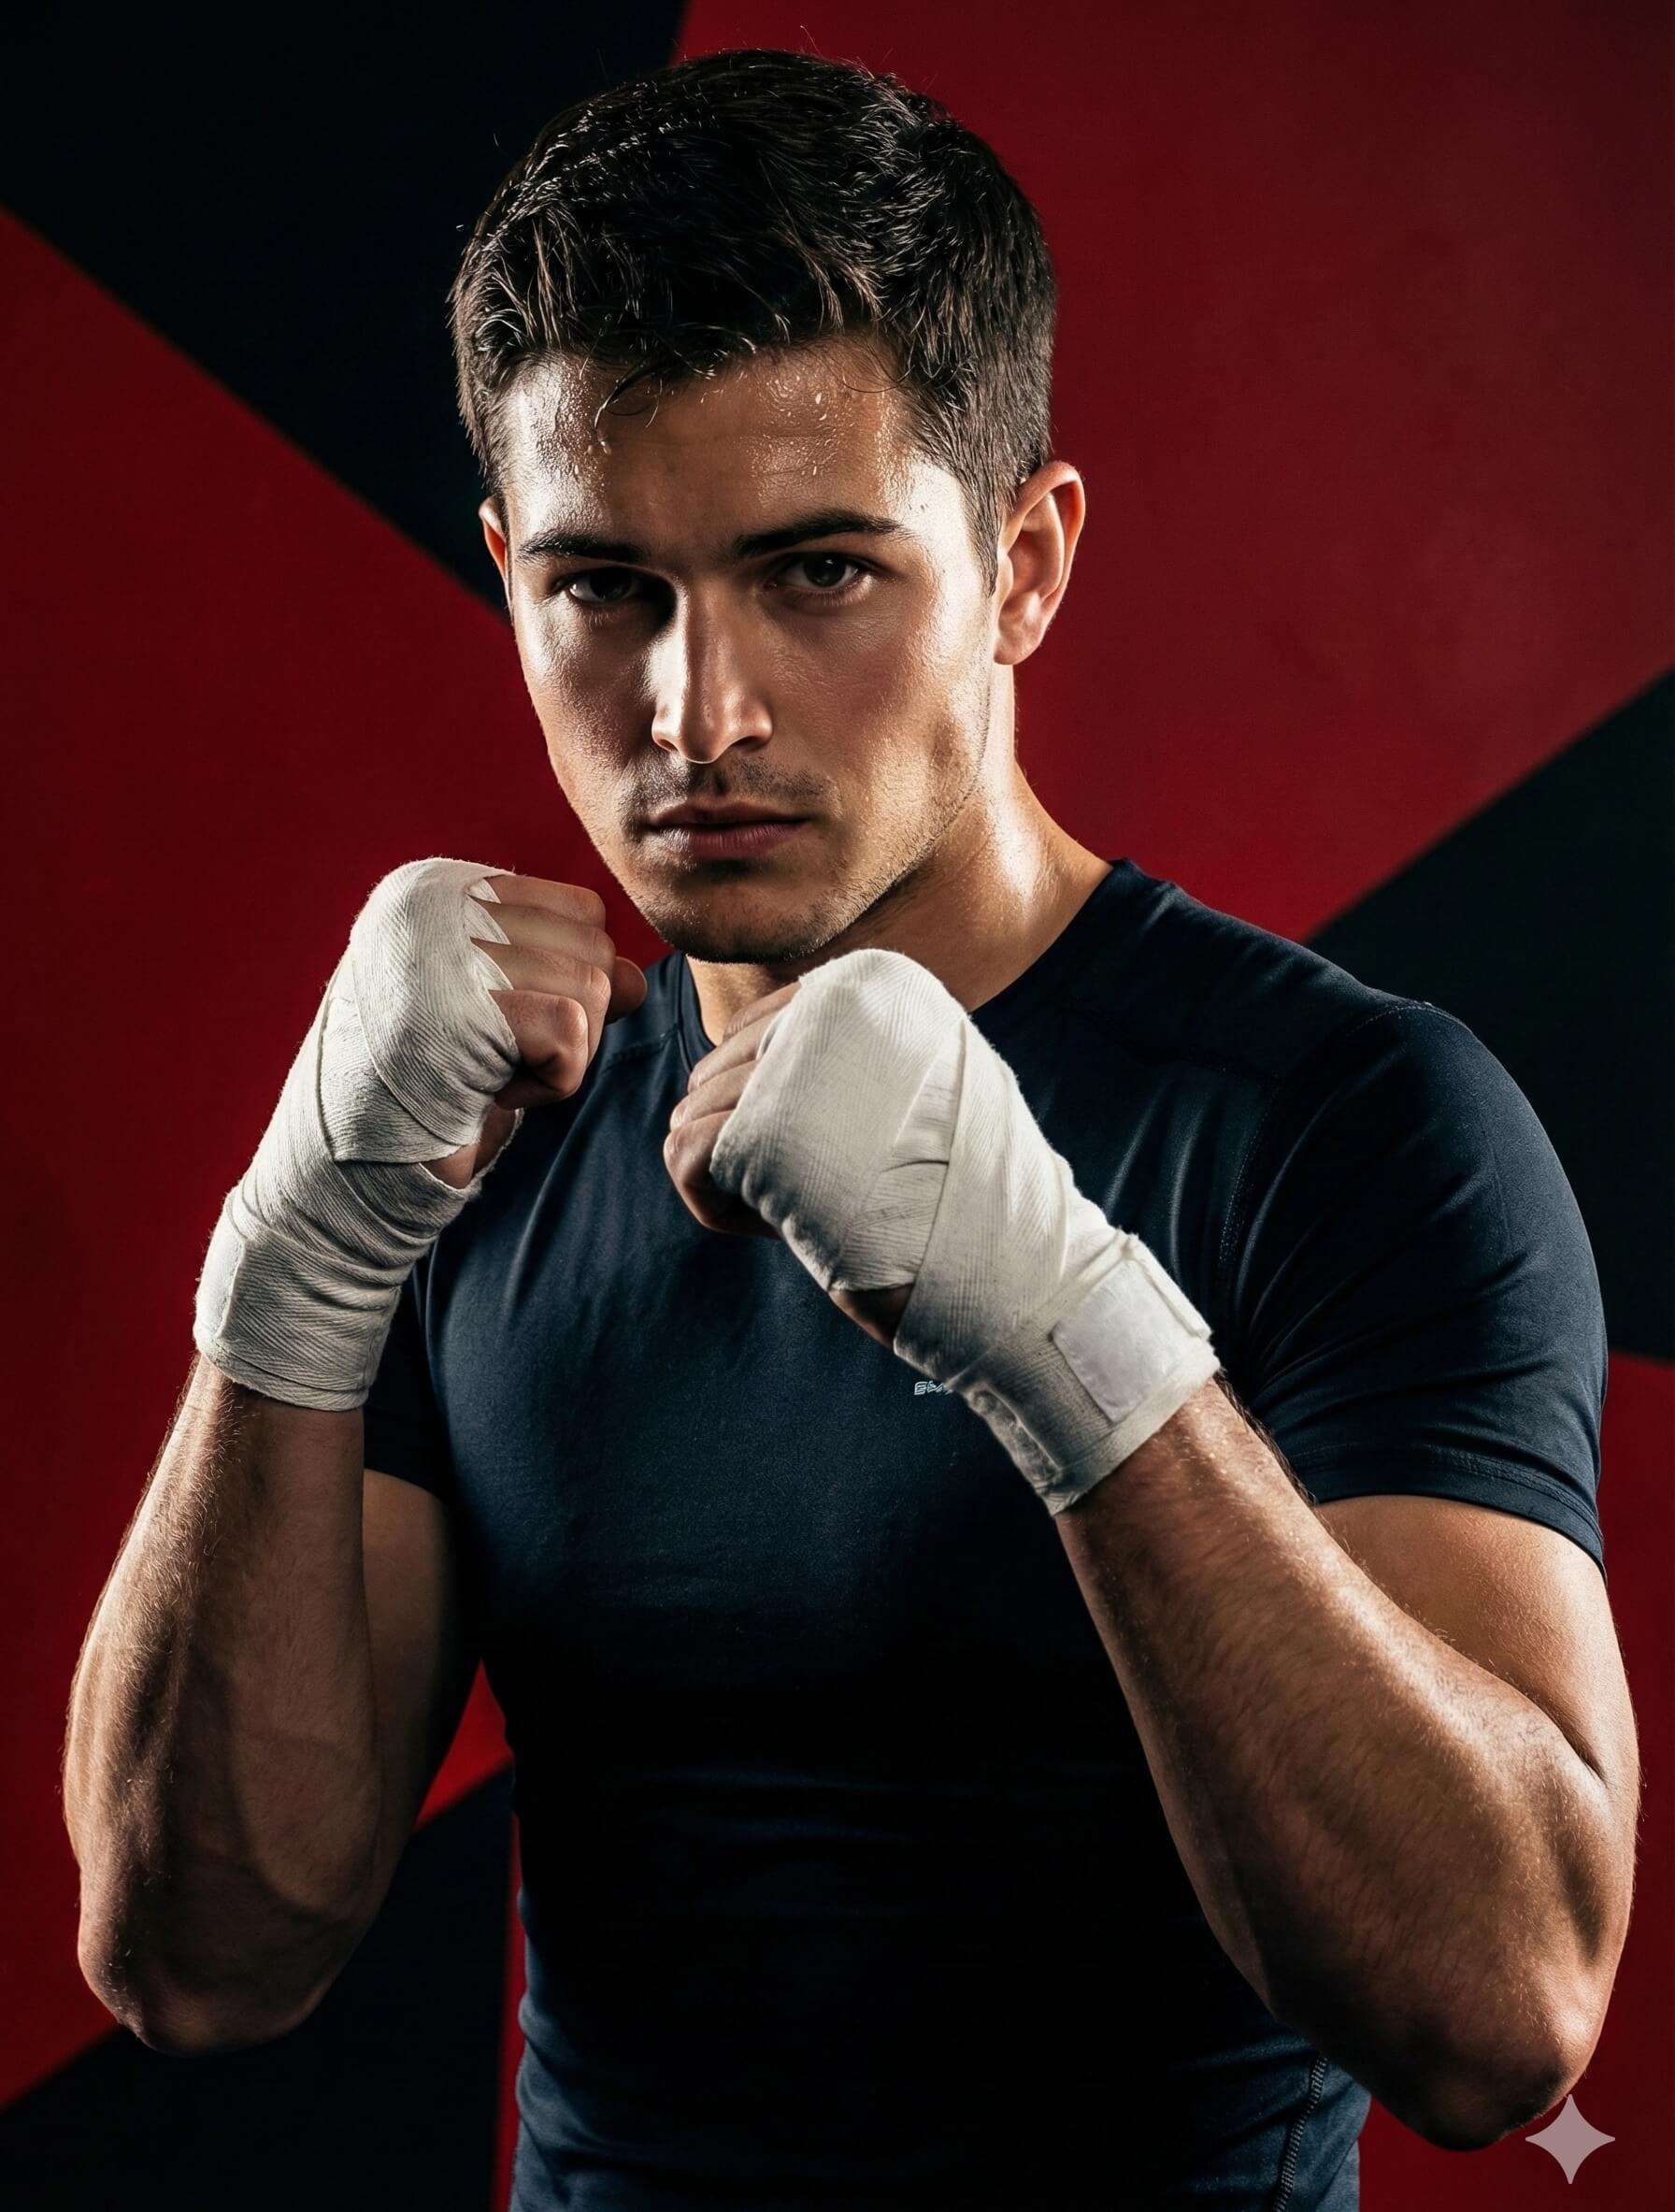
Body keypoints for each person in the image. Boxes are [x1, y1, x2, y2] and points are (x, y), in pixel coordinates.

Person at [64, 46, 1639, 2212]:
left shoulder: (1341, 1128)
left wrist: (1078, 1346)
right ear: (506, 564)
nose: (695, 711)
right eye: (603, 588)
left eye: (817, 574)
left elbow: (1498, 2011)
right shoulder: (466, 1133)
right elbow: (202, 1951)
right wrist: (293, 1263)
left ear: (1020, 562)